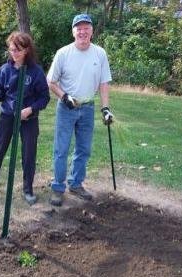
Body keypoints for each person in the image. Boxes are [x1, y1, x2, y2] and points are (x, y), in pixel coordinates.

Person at [0, 31, 50, 205]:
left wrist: (30, 109)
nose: (13, 53)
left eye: (17, 50)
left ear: (27, 50)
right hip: (7, 116)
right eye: (11, 49)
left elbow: (45, 98)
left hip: (28, 119)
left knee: (29, 154)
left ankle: (28, 190)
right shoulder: (4, 69)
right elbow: (2, 93)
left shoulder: (36, 72)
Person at [47, 14, 113, 206]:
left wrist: (106, 108)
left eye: (86, 28)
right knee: (62, 149)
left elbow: (103, 82)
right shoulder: (63, 53)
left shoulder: (99, 54)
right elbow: (50, 81)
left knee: (83, 149)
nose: (83, 31)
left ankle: (75, 183)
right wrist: (64, 96)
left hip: (88, 108)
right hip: (67, 107)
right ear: (73, 31)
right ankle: (58, 187)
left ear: (92, 31)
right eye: (79, 28)